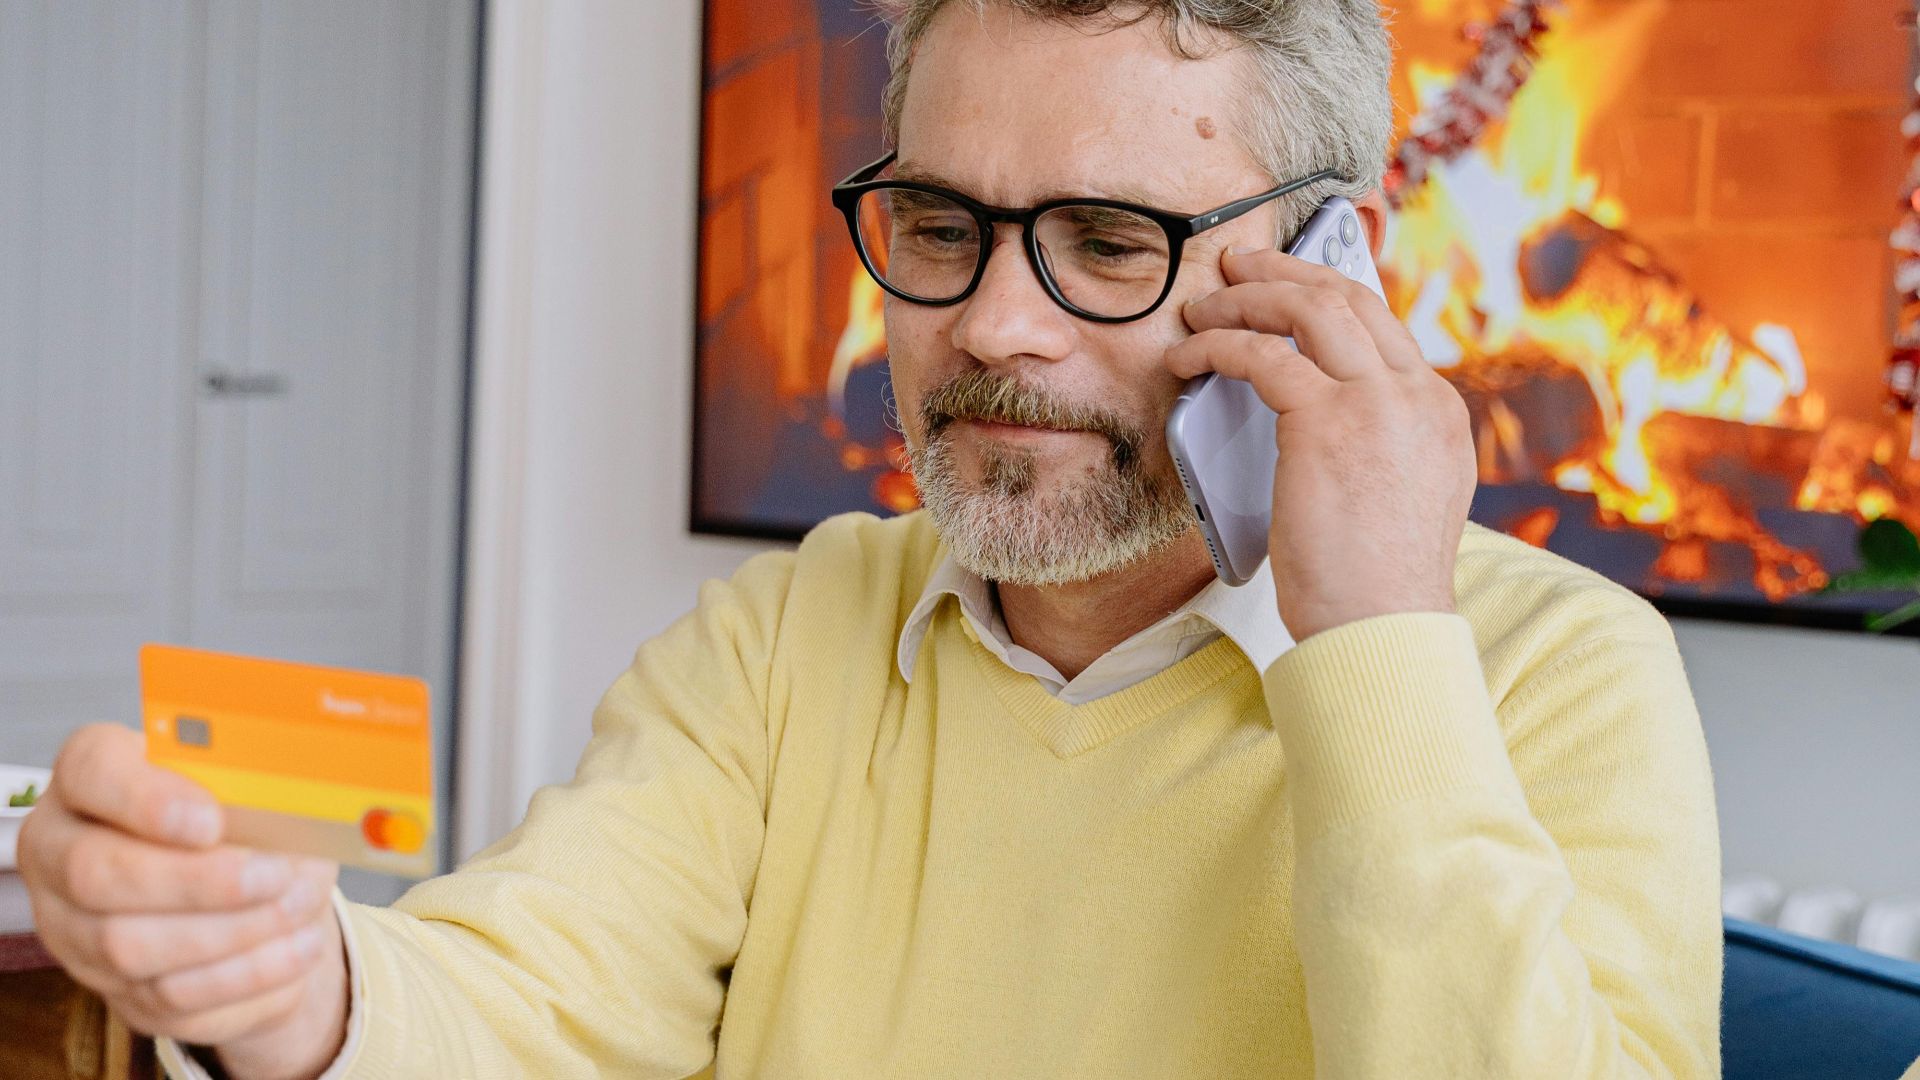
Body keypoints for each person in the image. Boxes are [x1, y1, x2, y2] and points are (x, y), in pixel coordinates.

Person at [18, 1, 1723, 1077]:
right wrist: (292, 992)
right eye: (935, 222)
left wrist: (1374, 654)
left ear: (1327, 272)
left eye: (1109, 241)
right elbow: (529, 998)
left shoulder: (1552, 677)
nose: (990, 327)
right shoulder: (792, 637)